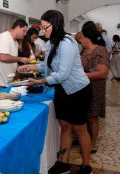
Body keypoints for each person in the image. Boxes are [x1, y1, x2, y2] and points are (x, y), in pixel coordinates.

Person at [18, 10, 93, 174]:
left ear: (56, 24)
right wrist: (30, 66)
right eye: (42, 28)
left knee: (80, 129)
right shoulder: (50, 42)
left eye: (46, 27)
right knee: (65, 126)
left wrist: (40, 81)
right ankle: (63, 163)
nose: (43, 31)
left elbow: (63, 74)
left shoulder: (67, 43)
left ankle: (86, 166)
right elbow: (48, 66)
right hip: (62, 89)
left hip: (78, 90)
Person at [80, 21, 109, 154]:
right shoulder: (85, 50)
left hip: (95, 88)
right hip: (83, 88)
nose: (80, 40)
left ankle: (93, 144)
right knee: (84, 115)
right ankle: (85, 141)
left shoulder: (100, 50)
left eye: (82, 37)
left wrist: (83, 75)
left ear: (88, 37)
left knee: (92, 117)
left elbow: (102, 72)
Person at [0, 19, 30, 91]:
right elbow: (3, 57)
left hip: (6, 82)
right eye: (24, 31)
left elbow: (12, 60)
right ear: (18, 28)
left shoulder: (15, 42)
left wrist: (20, 68)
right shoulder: (5, 37)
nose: (25, 34)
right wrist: (20, 59)